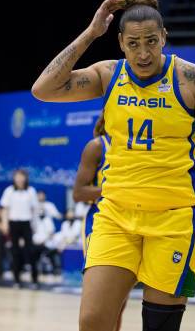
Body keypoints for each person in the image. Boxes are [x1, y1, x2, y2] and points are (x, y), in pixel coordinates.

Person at [31, 0, 195, 331]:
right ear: (120, 44)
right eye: (132, 44)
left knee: (158, 326)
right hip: (116, 215)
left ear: (164, 37)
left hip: (175, 218)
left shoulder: (191, 78)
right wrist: (90, 32)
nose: (142, 53)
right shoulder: (108, 74)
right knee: (94, 321)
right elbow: (44, 89)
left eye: (151, 42)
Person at [73, 113, 127, 331]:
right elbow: (78, 192)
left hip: (132, 220)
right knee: (103, 301)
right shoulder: (97, 146)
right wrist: (113, 190)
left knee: (120, 302)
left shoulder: (137, 147)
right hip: (100, 221)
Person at [0, 169, 40, 288]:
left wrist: (34, 225)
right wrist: (5, 224)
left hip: (27, 223)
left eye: (22, 177)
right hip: (14, 223)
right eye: (17, 176)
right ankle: (16, 279)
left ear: (26, 178)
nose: (20, 179)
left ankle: (34, 279)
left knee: (30, 251)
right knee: (15, 252)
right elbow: (5, 209)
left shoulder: (31, 191)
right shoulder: (9, 191)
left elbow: (34, 210)